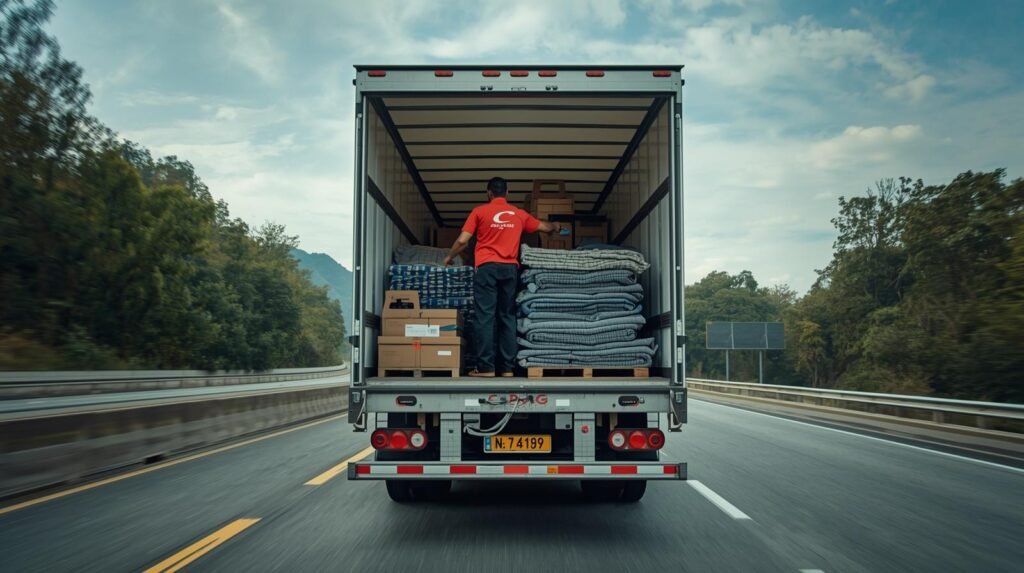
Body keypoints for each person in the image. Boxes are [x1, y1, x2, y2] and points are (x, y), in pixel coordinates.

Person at [443, 177, 562, 377]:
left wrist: (449, 256)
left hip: (487, 269)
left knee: (485, 317)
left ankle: (486, 368)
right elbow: (544, 227)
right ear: (507, 194)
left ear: (489, 193)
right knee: (507, 317)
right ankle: (507, 369)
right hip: (509, 270)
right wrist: (556, 226)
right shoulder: (519, 214)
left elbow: (463, 240)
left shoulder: (479, 212)